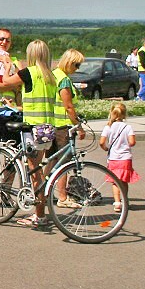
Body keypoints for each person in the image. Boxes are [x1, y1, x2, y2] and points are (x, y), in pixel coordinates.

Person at [0, 39, 57, 228]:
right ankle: (41, 211)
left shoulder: (28, 73)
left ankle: (39, 216)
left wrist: (8, 66)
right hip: (48, 127)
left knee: (35, 174)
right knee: (40, 170)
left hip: (32, 127)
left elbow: (6, 82)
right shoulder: (50, 76)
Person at [52, 48, 86, 208]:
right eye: (77, 65)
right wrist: (78, 126)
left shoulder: (54, 74)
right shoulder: (64, 80)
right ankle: (63, 197)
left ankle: (41, 191)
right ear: (70, 62)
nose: (77, 69)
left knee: (51, 161)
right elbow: (69, 106)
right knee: (64, 163)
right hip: (63, 126)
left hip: (51, 123)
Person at [99, 102, 139, 213]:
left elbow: (101, 142)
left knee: (115, 181)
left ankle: (117, 203)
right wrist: (126, 144)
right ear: (124, 114)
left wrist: (106, 148)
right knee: (124, 181)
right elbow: (132, 142)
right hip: (125, 158)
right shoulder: (128, 127)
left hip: (113, 158)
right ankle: (125, 200)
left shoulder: (108, 127)